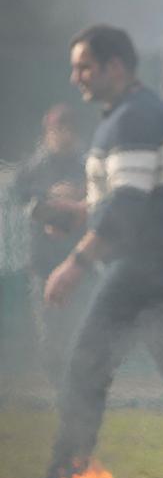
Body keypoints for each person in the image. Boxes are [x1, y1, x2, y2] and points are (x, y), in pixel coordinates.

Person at [38, 25, 163, 478]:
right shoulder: (124, 116)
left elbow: (127, 208)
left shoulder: (136, 118)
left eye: (84, 66)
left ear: (116, 66)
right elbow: (121, 201)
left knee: (87, 367)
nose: (76, 77)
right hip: (156, 265)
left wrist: (75, 264)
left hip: (151, 267)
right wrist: (78, 213)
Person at [13, 104, 89, 388]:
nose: (62, 135)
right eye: (57, 129)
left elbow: (104, 191)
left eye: (68, 129)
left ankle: (79, 381)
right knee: (49, 327)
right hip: (44, 260)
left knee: (81, 322)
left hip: (80, 258)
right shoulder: (34, 166)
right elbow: (21, 196)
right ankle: (57, 385)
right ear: (47, 132)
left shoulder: (86, 162)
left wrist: (78, 194)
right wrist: (49, 197)